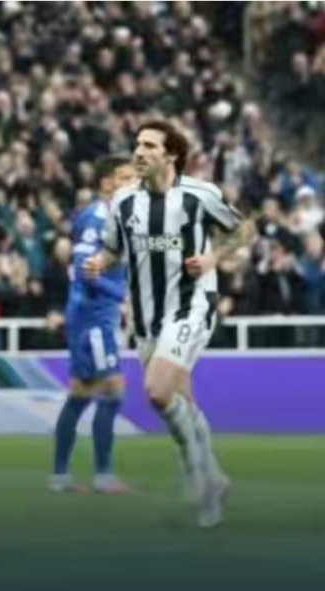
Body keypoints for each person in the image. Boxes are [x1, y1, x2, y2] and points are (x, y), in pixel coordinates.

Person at [84, 120, 246, 528]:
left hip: (191, 305)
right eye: (137, 144)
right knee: (180, 400)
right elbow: (113, 248)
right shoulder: (123, 201)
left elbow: (242, 230)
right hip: (146, 318)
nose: (139, 152)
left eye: (150, 146)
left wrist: (212, 259)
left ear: (171, 154)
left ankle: (195, 468)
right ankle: (213, 481)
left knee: (157, 391)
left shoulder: (199, 195)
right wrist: (100, 262)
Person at [50, 155, 136, 495]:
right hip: (92, 316)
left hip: (97, 313)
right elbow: (85, 268)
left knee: (81, 393)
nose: (134, 183)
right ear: (107, 183)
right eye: (126, 177)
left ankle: (60, 476)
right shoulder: (95, 218)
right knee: (113, 389)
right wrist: (122, 297)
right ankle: (103, 476)